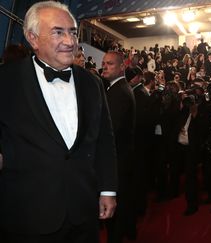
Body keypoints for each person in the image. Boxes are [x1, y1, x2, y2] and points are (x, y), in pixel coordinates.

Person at [0, 2, 117, 243]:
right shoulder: (6, 81)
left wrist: (107, 190)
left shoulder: (92, 83)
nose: (69, 40)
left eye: (73, 32)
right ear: (33, 38)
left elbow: (105, 140)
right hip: (27, 217)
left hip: (84, 212)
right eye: (58, 32)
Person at [101, 51, 136, 243]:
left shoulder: (119, 92)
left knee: (115, 215)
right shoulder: (116, 88)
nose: (104, 66)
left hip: (117, 162)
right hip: (121, 159)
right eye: (104, 63)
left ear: (122, 67)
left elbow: (110, 131)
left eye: (110, 64)